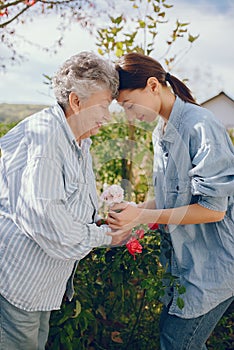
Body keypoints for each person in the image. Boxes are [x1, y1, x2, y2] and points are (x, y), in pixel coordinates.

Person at [0, 51, 132, 350]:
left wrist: (98, 220)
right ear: (75, 101)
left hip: (40, 284)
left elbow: (66, 204)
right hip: (17, 282)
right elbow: (51, 225)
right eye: (103, 106)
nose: (108, 117)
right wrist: (109, 236)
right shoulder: (46, 143)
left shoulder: (78, 138)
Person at [108, 52, 234, 350]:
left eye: (129, 105)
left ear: (153, 86)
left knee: (177, 342)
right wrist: (135, 210)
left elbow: (212, 210)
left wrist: (139, 218)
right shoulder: (160, 130)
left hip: (212, 263)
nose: (129, 116)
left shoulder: (199, 125)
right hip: (184, 263)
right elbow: (171, 198)